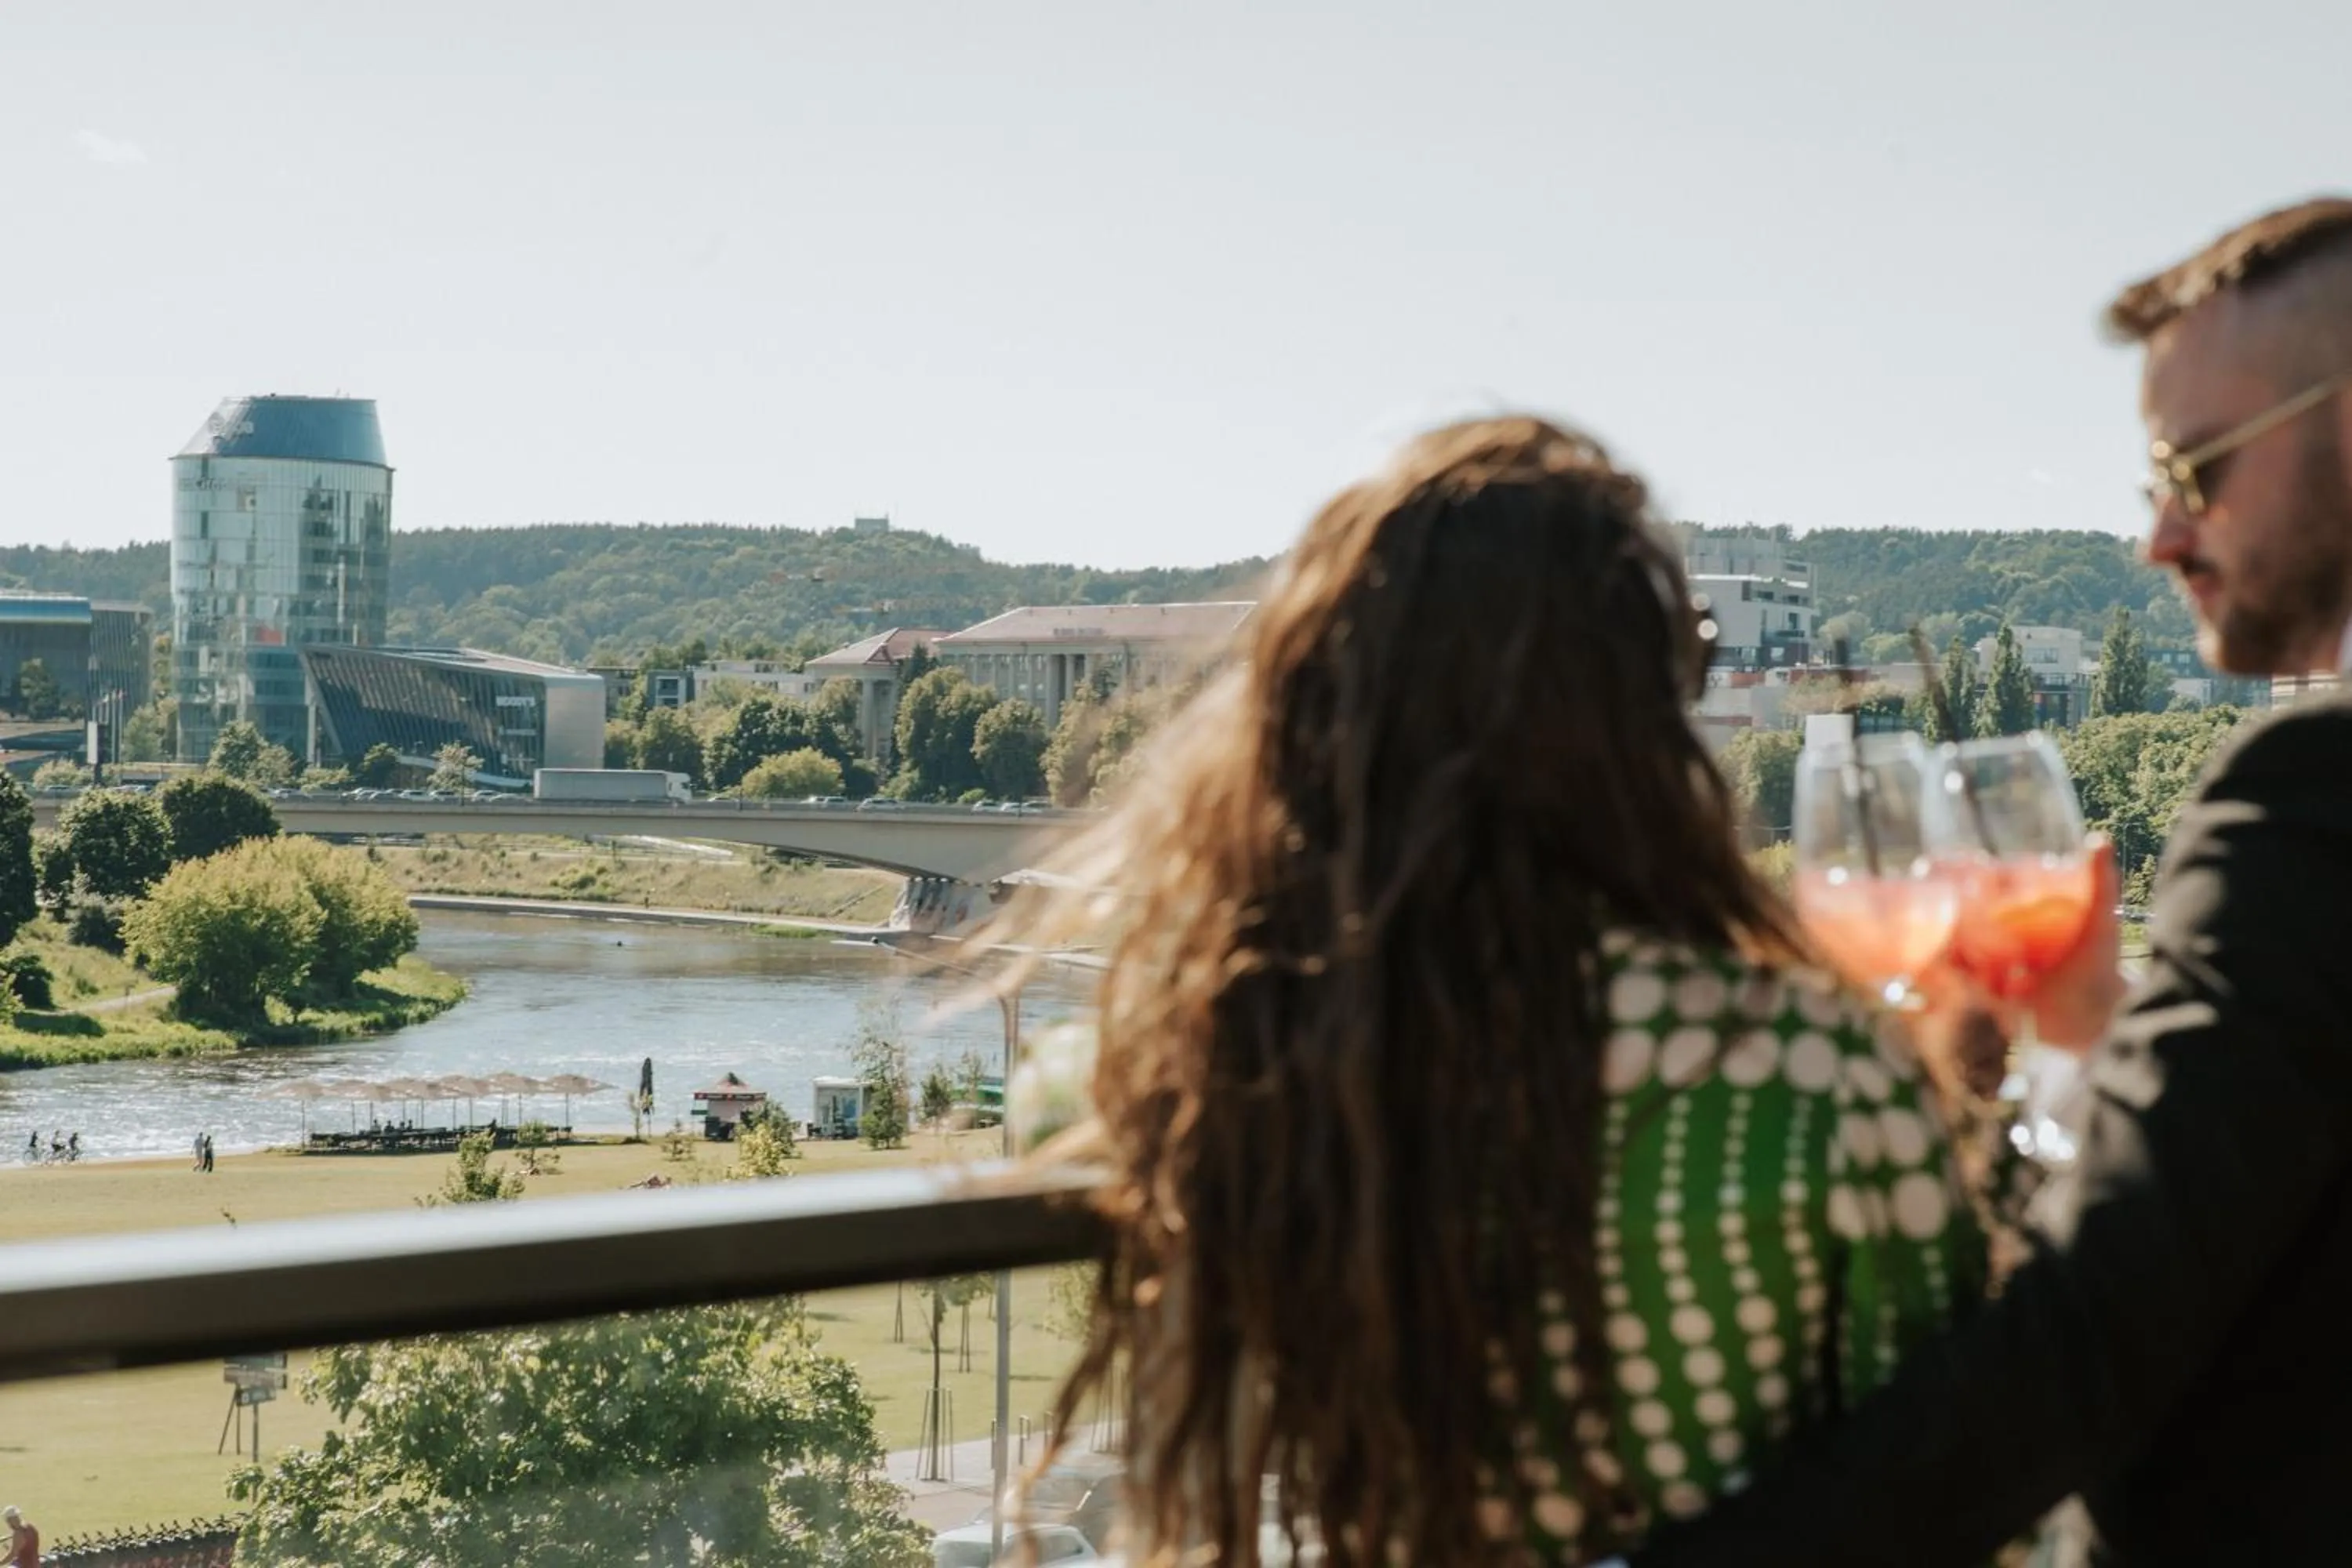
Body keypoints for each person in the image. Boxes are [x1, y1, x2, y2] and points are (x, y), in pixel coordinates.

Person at [1019, 419, 1984, 1566]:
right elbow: (1952, 1481)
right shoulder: (1814, 1068)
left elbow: (1053, 1098)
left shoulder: (1237, 1056)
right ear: (1643, 728)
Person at [1628, 196, 2352, 1566]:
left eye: (2195, 471)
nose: (2159, 539)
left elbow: (2096, 1336)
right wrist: (2088, 1031)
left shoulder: (2313, 793)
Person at [3, 1504, 38, 1568]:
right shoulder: (30, 1527)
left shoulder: (18, 1534)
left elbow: (12, 1555)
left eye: (8, 1521)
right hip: (36, 1564)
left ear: (10, 1520)